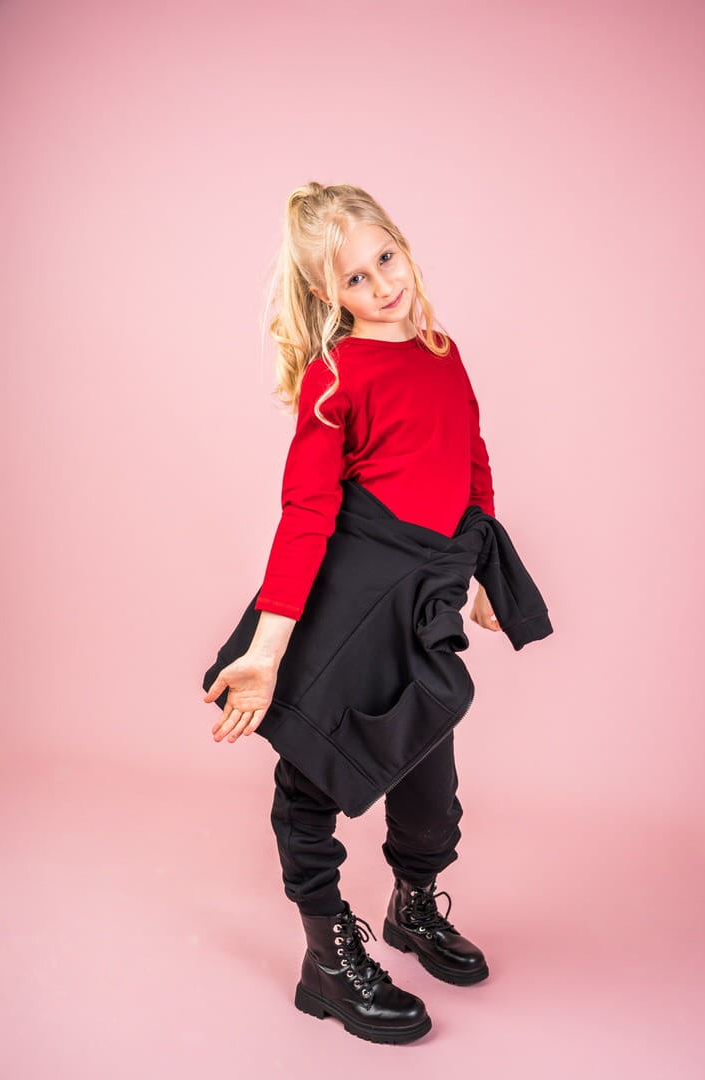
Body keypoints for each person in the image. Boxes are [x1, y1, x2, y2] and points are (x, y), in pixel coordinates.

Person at [203, 181, 503, 1045]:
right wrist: (268, 649)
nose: (381, 284)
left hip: (421, 601)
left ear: (402, 244)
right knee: (314, 772)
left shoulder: (443, 351)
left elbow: (473, 459)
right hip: (346, 602)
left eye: (385, 258)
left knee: (429, 776)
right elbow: (306, 512)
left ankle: (413, 905)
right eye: (355, 279)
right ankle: (326, 959)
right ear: (326, 293)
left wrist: (483, 571)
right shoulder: (336, 376)